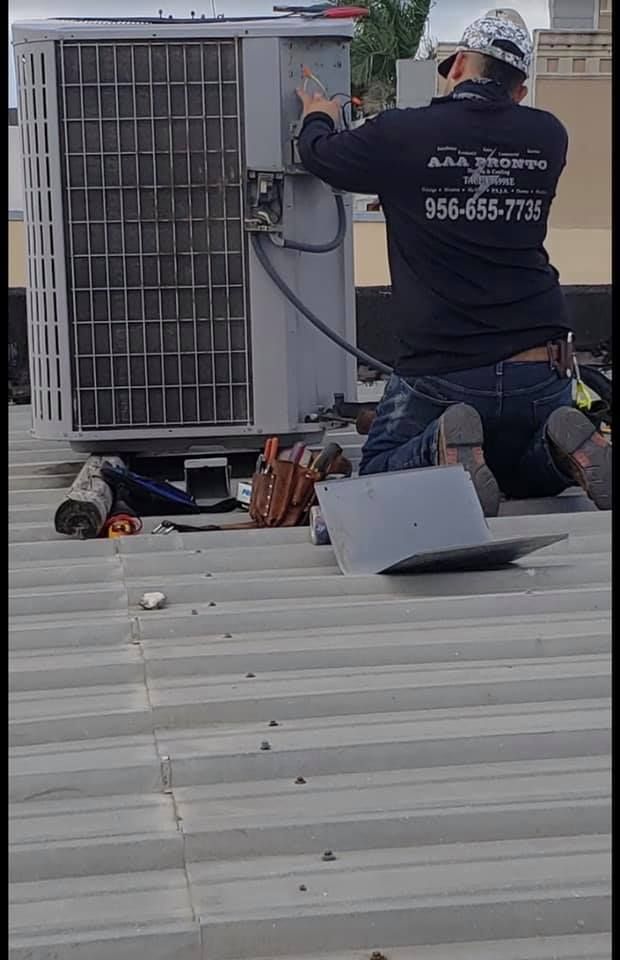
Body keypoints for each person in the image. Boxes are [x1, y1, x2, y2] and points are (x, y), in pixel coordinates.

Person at [296, 14, 611, 514]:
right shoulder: (549, 135)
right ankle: (562, 443)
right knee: (514, 475)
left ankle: (441, 446)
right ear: (521, 89)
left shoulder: (403, 132)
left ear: (460, 63)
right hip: (541, 364)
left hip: (445, 371)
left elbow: (320, 156)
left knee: (376, 469)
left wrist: (318, 114)